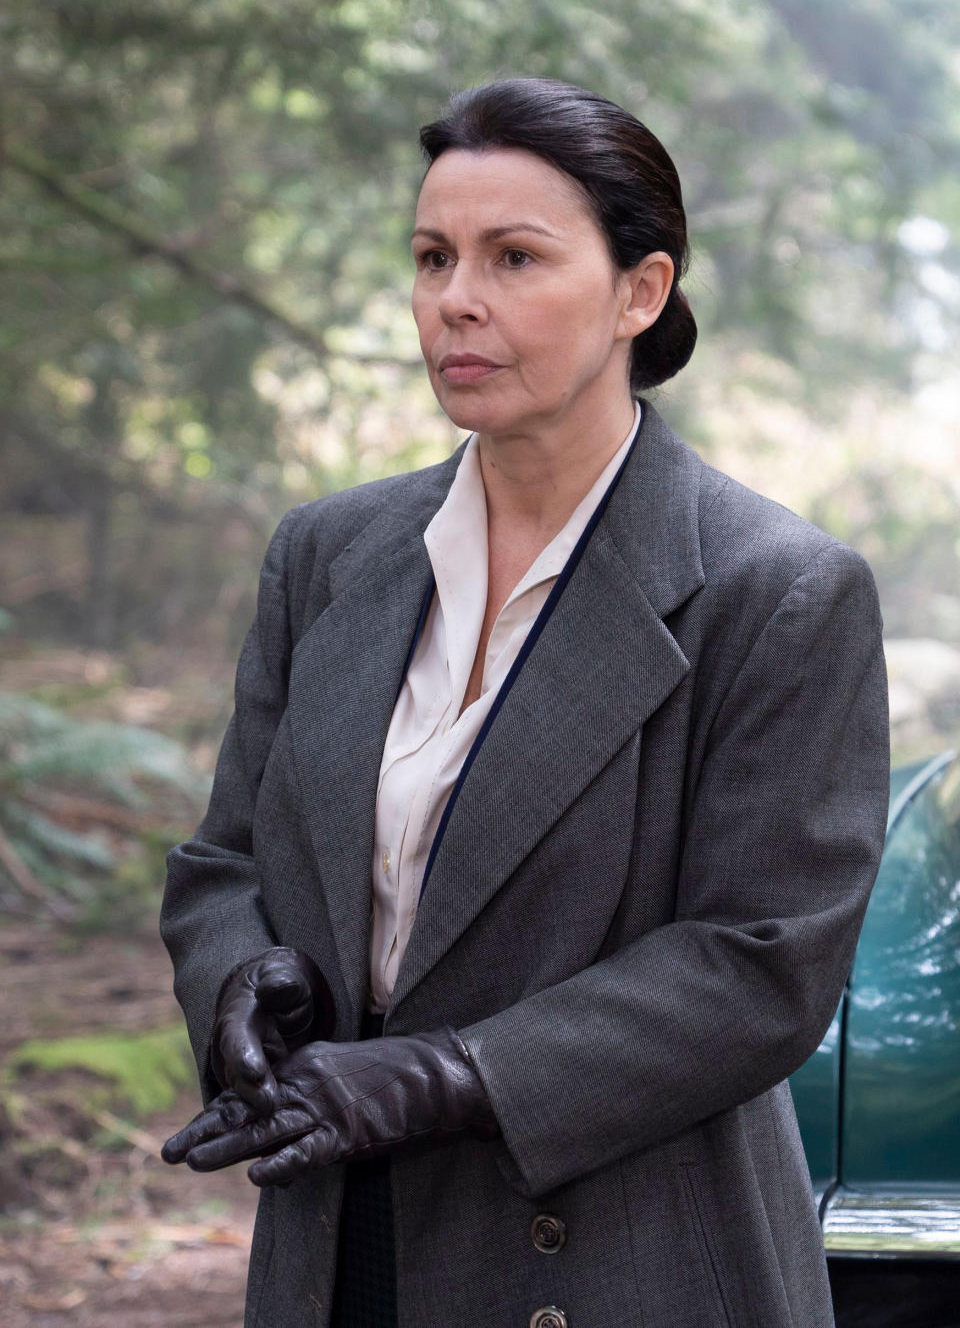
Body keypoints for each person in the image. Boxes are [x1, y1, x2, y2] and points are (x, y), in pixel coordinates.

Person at [159, 77, 890, 1328]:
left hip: (620, 1256)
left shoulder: (776, 589)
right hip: (337, 1232)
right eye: (434, 257)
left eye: (515, 257)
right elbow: (226, 858)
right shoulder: (328, 554)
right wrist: (240, 978)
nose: (457, 299)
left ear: (638, 293)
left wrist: (453, 1073)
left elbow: (760, 962)